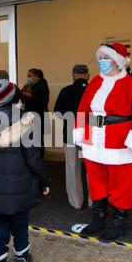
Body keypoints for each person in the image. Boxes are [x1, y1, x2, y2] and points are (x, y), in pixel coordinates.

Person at [73, 43, 132, 240]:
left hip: (120, 142)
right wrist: (80, 132)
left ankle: (119, 225)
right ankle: (98, 221)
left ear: (117, 61)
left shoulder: (130, 84)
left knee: (122, 185)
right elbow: (82, 109)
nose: (102, 62)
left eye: (105, 58)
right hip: (93, 141)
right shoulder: (94, 82)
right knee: (96, 183)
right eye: (100, 58)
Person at [0, 79, 51, 262]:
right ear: (16, 97)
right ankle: (21, 258)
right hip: (19, 188)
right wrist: (45, 181)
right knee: (20, 225)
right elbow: (33, 158)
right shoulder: (25, 120)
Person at [54, 64, 90, 209]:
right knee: (92, 169)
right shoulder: (93, 90)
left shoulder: (66, 91)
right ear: (87, 75)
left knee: (72, 167)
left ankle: (76, 202)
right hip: (89, 133)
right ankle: (94, 201)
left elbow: (57, 112)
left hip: (70, 132)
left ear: (73, 74)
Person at [21, 68, 50, 158]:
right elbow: (22, 97)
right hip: (30, 115)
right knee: (32, 137)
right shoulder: (32, 86)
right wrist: (24, 88)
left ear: (36, 76)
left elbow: (44, 102)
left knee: (37, 139)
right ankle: (33, 157)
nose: (28, 78)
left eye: (29, 76)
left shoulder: (42, 86)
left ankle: (39, 158)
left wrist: (31, 96)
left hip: (38, 116)